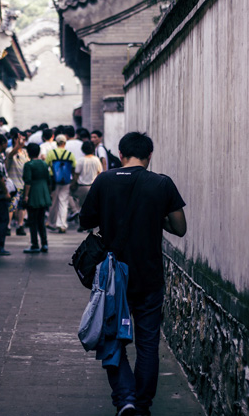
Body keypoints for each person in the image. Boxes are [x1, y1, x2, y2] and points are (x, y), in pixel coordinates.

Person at [79, 131, 187, 416]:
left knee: (113, 338)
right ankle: (142, 406)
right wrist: (154, 215)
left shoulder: (104, 180)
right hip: (149, 275)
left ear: (121, 154)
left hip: (113, 276)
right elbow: (179, 227)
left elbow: (86, 220)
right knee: (148, 342)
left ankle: (125, 398)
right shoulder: (161, 183)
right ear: (149, 155)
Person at [21, 143, 52, 253]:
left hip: (34, 193)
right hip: (43, 193)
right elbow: (48, 180)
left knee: (32, 221)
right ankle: (44, 244)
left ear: (28, 153)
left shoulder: (29, 165)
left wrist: (26, 196)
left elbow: (28, 182)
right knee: (41, 220)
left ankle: (35, 244)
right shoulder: (44, 164)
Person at [45, 135, 76, 233]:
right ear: (65, 143)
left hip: (53, 180)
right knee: (63, 202)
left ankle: (52, 222)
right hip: (66, 180)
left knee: (53, 202)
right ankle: (62, 225)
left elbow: (46, 165)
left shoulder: (51, 153)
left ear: (56, 142)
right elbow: (74, 167)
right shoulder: (70, 154)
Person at [73, 140, 102, 232]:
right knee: (91, 207)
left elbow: (76, 174)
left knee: (82, 207)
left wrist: (73, 184)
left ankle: (82, 224)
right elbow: (99, 173)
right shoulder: (96, 160)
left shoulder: (81, 160)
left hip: (82, 186)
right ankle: (90, 226)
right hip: (93, 186)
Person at [5, 129, 29, 236]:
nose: (23, 142)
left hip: (23, 184)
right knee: (11, 207)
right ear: (15, 139)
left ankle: (20, 225)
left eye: (24, 140)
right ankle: (8, 226)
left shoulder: (24, 152)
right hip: (13, 185)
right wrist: (17, 145)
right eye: (20, 139)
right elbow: (10, 155)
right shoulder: (10, 150)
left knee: (21, 207)